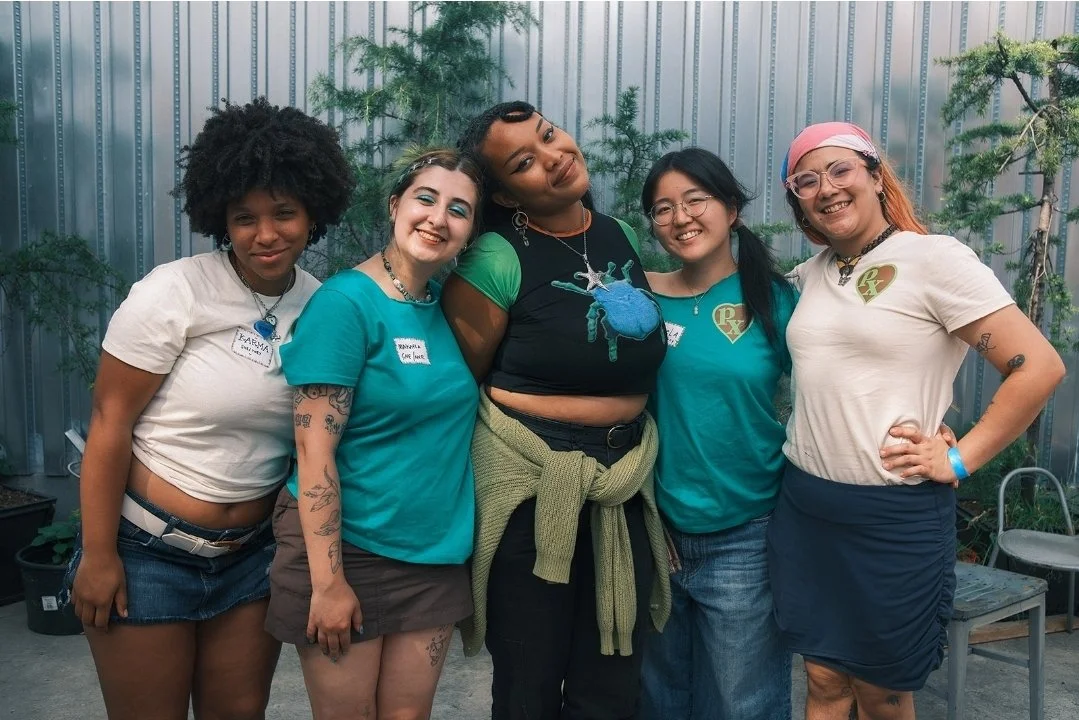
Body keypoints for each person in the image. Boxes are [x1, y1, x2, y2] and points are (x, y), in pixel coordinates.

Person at [66, 97, 355, 720]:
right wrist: (98, 555)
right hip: (146, 554)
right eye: (244, 217)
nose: (266, 233)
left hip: (252, 559)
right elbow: (109, 424)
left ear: (313, 213)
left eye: (284, 212)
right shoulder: (175, 292)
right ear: (221, 218)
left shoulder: (327, 306)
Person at [767, 121, 1066, 719]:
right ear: (797, 199)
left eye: (840, 170)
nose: (826, 187)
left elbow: (1038, 367)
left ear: (876, 176)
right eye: (807, 179)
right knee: (822, 680)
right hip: (805, 507)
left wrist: (958, 455)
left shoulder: (934, 259)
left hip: (893, 516)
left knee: (882, 692)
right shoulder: (810, 276)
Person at [442, 101, 671, 720]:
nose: (553, 157)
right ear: (509, 194)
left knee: (613, 682)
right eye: (524, 162)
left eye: (549, 136)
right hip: (532, 488)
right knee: (529, 685)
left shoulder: (617, 233)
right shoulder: (496, 257)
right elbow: (463, 378)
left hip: (623, 480)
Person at [263, 148, 482, 720]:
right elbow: (313, 454)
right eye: (426, 199)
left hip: (433, 553)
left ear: (469, 233)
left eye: (458, 210)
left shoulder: (444, 309)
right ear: (395, 206)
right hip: (347, 549)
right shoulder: (345, 304)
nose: (439, 218)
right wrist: (328, 583)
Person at [636, 147, 796, 720]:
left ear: (731, 208)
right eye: (662, 208)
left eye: (695, 200)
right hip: (657, 529)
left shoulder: (776, 300)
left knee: (741, 703)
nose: (680, 217)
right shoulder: (641, 299)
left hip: (745, 534)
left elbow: (836, 386)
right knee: (659, 696)